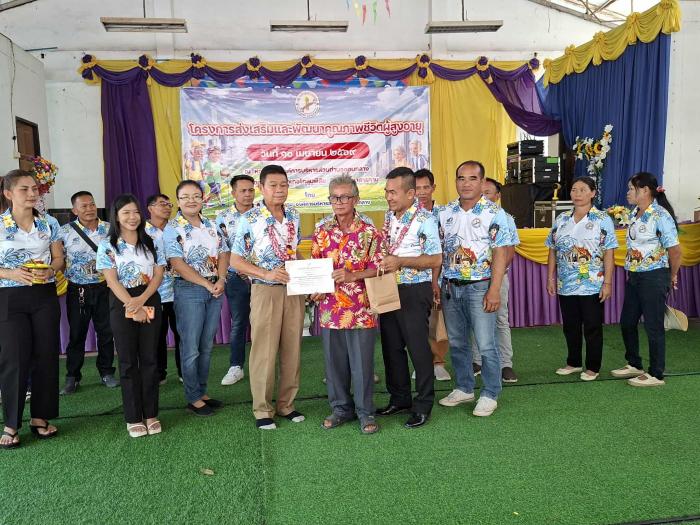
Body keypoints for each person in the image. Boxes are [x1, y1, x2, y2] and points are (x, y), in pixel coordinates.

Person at [230, 165, 306, 430]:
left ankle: (287, 405)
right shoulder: (250, 219)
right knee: (264, 351)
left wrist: (310, 275)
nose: (279, 190)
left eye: (283, 185)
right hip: (265, 290)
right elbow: (236, 260)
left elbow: (294, 252)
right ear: (261, 188)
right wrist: (266, 273)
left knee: (292, 349)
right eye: (273, 185)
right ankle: (262, 409)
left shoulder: (294, 215)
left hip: (294, 289)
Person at [437, 161, 513, 417]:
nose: (466, 183)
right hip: (450, 287)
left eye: (472, 178)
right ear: (455, 181)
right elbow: (438, 252)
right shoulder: (445, 212)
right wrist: (436, 284)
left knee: (486, 344)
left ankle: (490, 393)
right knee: (458, 342)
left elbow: (501, 253)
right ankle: (464, 387)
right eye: (461, 178)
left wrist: (494, 289)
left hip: (480, 287)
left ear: (482, 182)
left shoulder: (494, 213)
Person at [310, 175, 383, 434]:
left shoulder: (369, 231)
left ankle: (365, 412)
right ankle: (341, 408)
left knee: (362, 364)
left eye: (345, 197)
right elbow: (315, 265)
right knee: (334, 363)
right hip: (330, 308)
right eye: (334, 197)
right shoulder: (321, 231)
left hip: (361, 308)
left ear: (356, 199)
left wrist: (353, 275)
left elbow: (380, 268)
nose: (339, 202)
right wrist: (314, 288)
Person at [0, 170, 63, 449]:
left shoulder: (49, 223)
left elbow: (59, 257)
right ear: (8, 194)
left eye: (35, 188)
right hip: (8, 296)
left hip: (44, 295)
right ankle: (11, 423)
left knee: (46, 355)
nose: (32, 193)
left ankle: (41, 417)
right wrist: (11, 273)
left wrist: (51, 269)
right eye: (24, 189)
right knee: (13, 358)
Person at [376, 167, 442, 429]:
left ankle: (423, 404)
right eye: (387, 191)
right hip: (388, 288)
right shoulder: (389, 216)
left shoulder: (425, 219)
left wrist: (400, 261)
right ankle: (400, 398)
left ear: (410, 193)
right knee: (391, 347)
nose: (388, 197)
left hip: (414, 290)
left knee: (417, 348)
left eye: (393, 192)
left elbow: (435, 259)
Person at [97, 194, 165, 438]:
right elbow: (111, 280)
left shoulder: (152, 241)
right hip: (122, 300)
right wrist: (133, 306)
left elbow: (158, 274)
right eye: (126, 212)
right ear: (116, 216)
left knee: (149, 359)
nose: (132, 217)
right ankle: (134, 417)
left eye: (135, 212)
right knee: (127, 362)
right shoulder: (107, 245)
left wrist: (142, 300)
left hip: (149, 297)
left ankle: (151, 414)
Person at [164, 180, 228, 416]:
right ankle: (192, 397)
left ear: (203, 199)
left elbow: (224, 252)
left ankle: (202, 391)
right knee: (191, 347)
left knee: (206, 346)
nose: (191, 200)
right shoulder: (172, 228)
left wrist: (221, 279)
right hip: (189, 290)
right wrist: (207, 284)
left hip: (215, 288)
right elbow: (177, 263)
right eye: (185, 197)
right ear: (178, 201)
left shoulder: (212, 224)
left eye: (196, 196)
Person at [612, 172, 681, 387]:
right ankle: (634, 363)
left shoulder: (660, 215)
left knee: (653, 325)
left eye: (631, 189)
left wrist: (671, 276)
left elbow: (675, 251)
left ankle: (656, 373)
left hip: (654, 276)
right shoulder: (635, 213)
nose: (628, 193)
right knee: (627, 321)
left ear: (645, 190)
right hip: (634, 275)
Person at [546, 177, 617, 381]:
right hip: (565, 283)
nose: (577, 194)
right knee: (570, 325)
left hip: (592, 284)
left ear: (593, 193)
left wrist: (608, 283)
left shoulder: (602, 219)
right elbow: (552, 249)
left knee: (592, 326)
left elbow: (609, 253)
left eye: (583, 190)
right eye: (574, 190)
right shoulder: (562, 219)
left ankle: (593, 367)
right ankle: (573, 362)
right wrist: (550, 277)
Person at [59, 191, 118, 395]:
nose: (89, 209)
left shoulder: (110, 229)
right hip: (78, 290)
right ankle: (72, 376)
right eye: (83, 206)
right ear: (75, 210)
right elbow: (58, 259)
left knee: (106, 332)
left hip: (105, 288)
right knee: (77, 334)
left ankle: (107, 372)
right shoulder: (65, 231)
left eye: (92, 204)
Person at [472, 177, 520, 383]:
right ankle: (476, 361)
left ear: (498, 196)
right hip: (474, 278)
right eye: (481, 192)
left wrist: (495, 275)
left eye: (488, 192)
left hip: (497, 278)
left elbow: (509, 251)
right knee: (475, 320)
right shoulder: (469, 215)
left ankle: (505, 364)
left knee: (500, 320)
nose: (483, 196)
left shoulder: (505, 218)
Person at [216, 175, 256, 386]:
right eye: (243, 191)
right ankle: (236, 366)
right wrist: (239, 269)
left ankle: (263, 365)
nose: (248, 194)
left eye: (251, 190)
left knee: (263, 323)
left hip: (261, 277)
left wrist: (254, 271)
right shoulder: (223, 218)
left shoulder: (263, 214)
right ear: (233, 193)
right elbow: (223, 249)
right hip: (235, 278)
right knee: (239, 322)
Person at [414, 168, 451, 382]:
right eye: (417, 188)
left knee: (437, 321)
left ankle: (438, 362)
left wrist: (435, 279)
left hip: (441, 276)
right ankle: (421, 363)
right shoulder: (406, 215)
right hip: (414, 277)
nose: (421, 192)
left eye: (425, 187)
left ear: (433, 188)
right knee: (416, 323)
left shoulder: (444, 214)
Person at [145, 193, 181, 384]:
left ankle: (184, 372)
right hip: (153, 293)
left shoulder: (177, 228)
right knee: (155, 336)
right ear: (150, 208)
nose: (167, 207)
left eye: (169, 204)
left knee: (182, 333)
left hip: (179, 291)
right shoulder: (141, 231)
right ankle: (159, 373)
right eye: (162, 204)